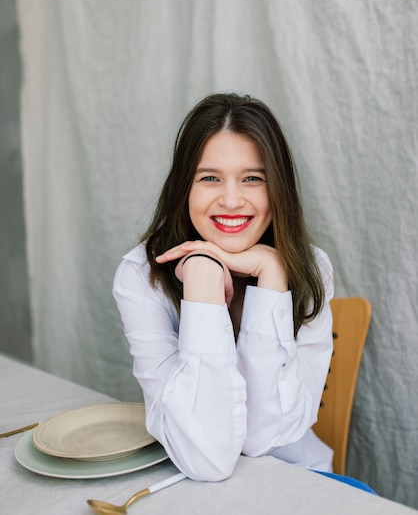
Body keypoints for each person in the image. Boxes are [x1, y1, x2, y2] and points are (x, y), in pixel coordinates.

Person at [113, 92, 334, 482]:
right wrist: (202, 282)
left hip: (297, 480)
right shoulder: (141, 276)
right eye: (210, 178)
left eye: (253, 178)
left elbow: (263, 438)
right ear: (184, 187)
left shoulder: (310, 267)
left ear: (278, 188)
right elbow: (207, 458)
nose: (231, 200)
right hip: (190, 489)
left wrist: (272, 273)